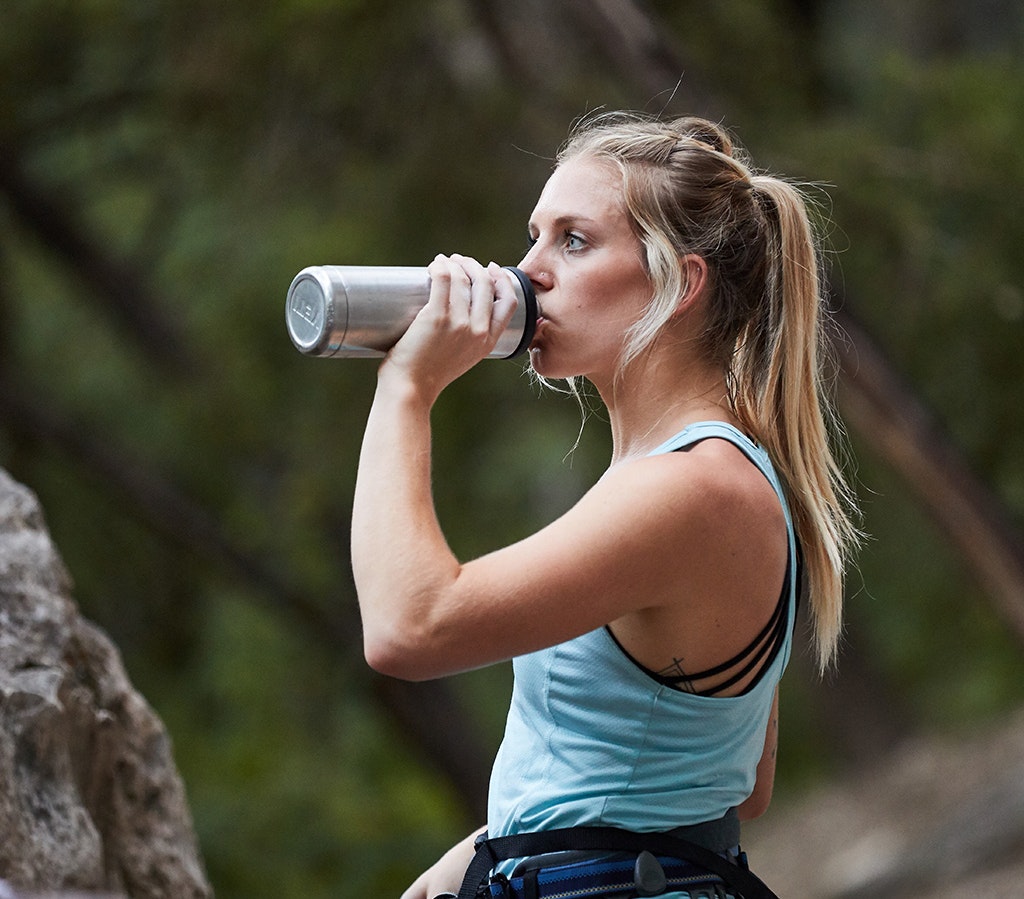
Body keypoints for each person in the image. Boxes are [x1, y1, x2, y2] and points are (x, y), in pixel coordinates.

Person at [350, 112, 861, 899]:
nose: (527, 270)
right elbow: (732, 783)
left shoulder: (694, 489)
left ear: (680, 282)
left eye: (573, 240)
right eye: (534, 236)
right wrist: (492, 846)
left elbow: (407, 626)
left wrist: (406, 389)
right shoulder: (701, 476)